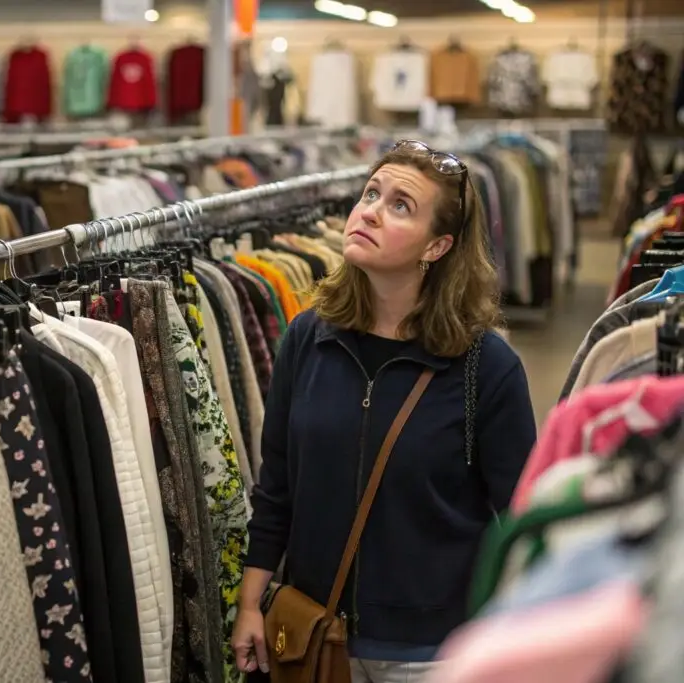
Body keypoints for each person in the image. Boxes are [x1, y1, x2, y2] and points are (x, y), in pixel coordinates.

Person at [230, 140, 537, 683]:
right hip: (314, 637)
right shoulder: (307, 338)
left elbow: (520, 518)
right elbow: (276, 487)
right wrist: (252, 603)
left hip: (433, 653)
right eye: (371, 193)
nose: (369, 210)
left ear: (437, 247)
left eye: (400, 205)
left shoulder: (484, 366)